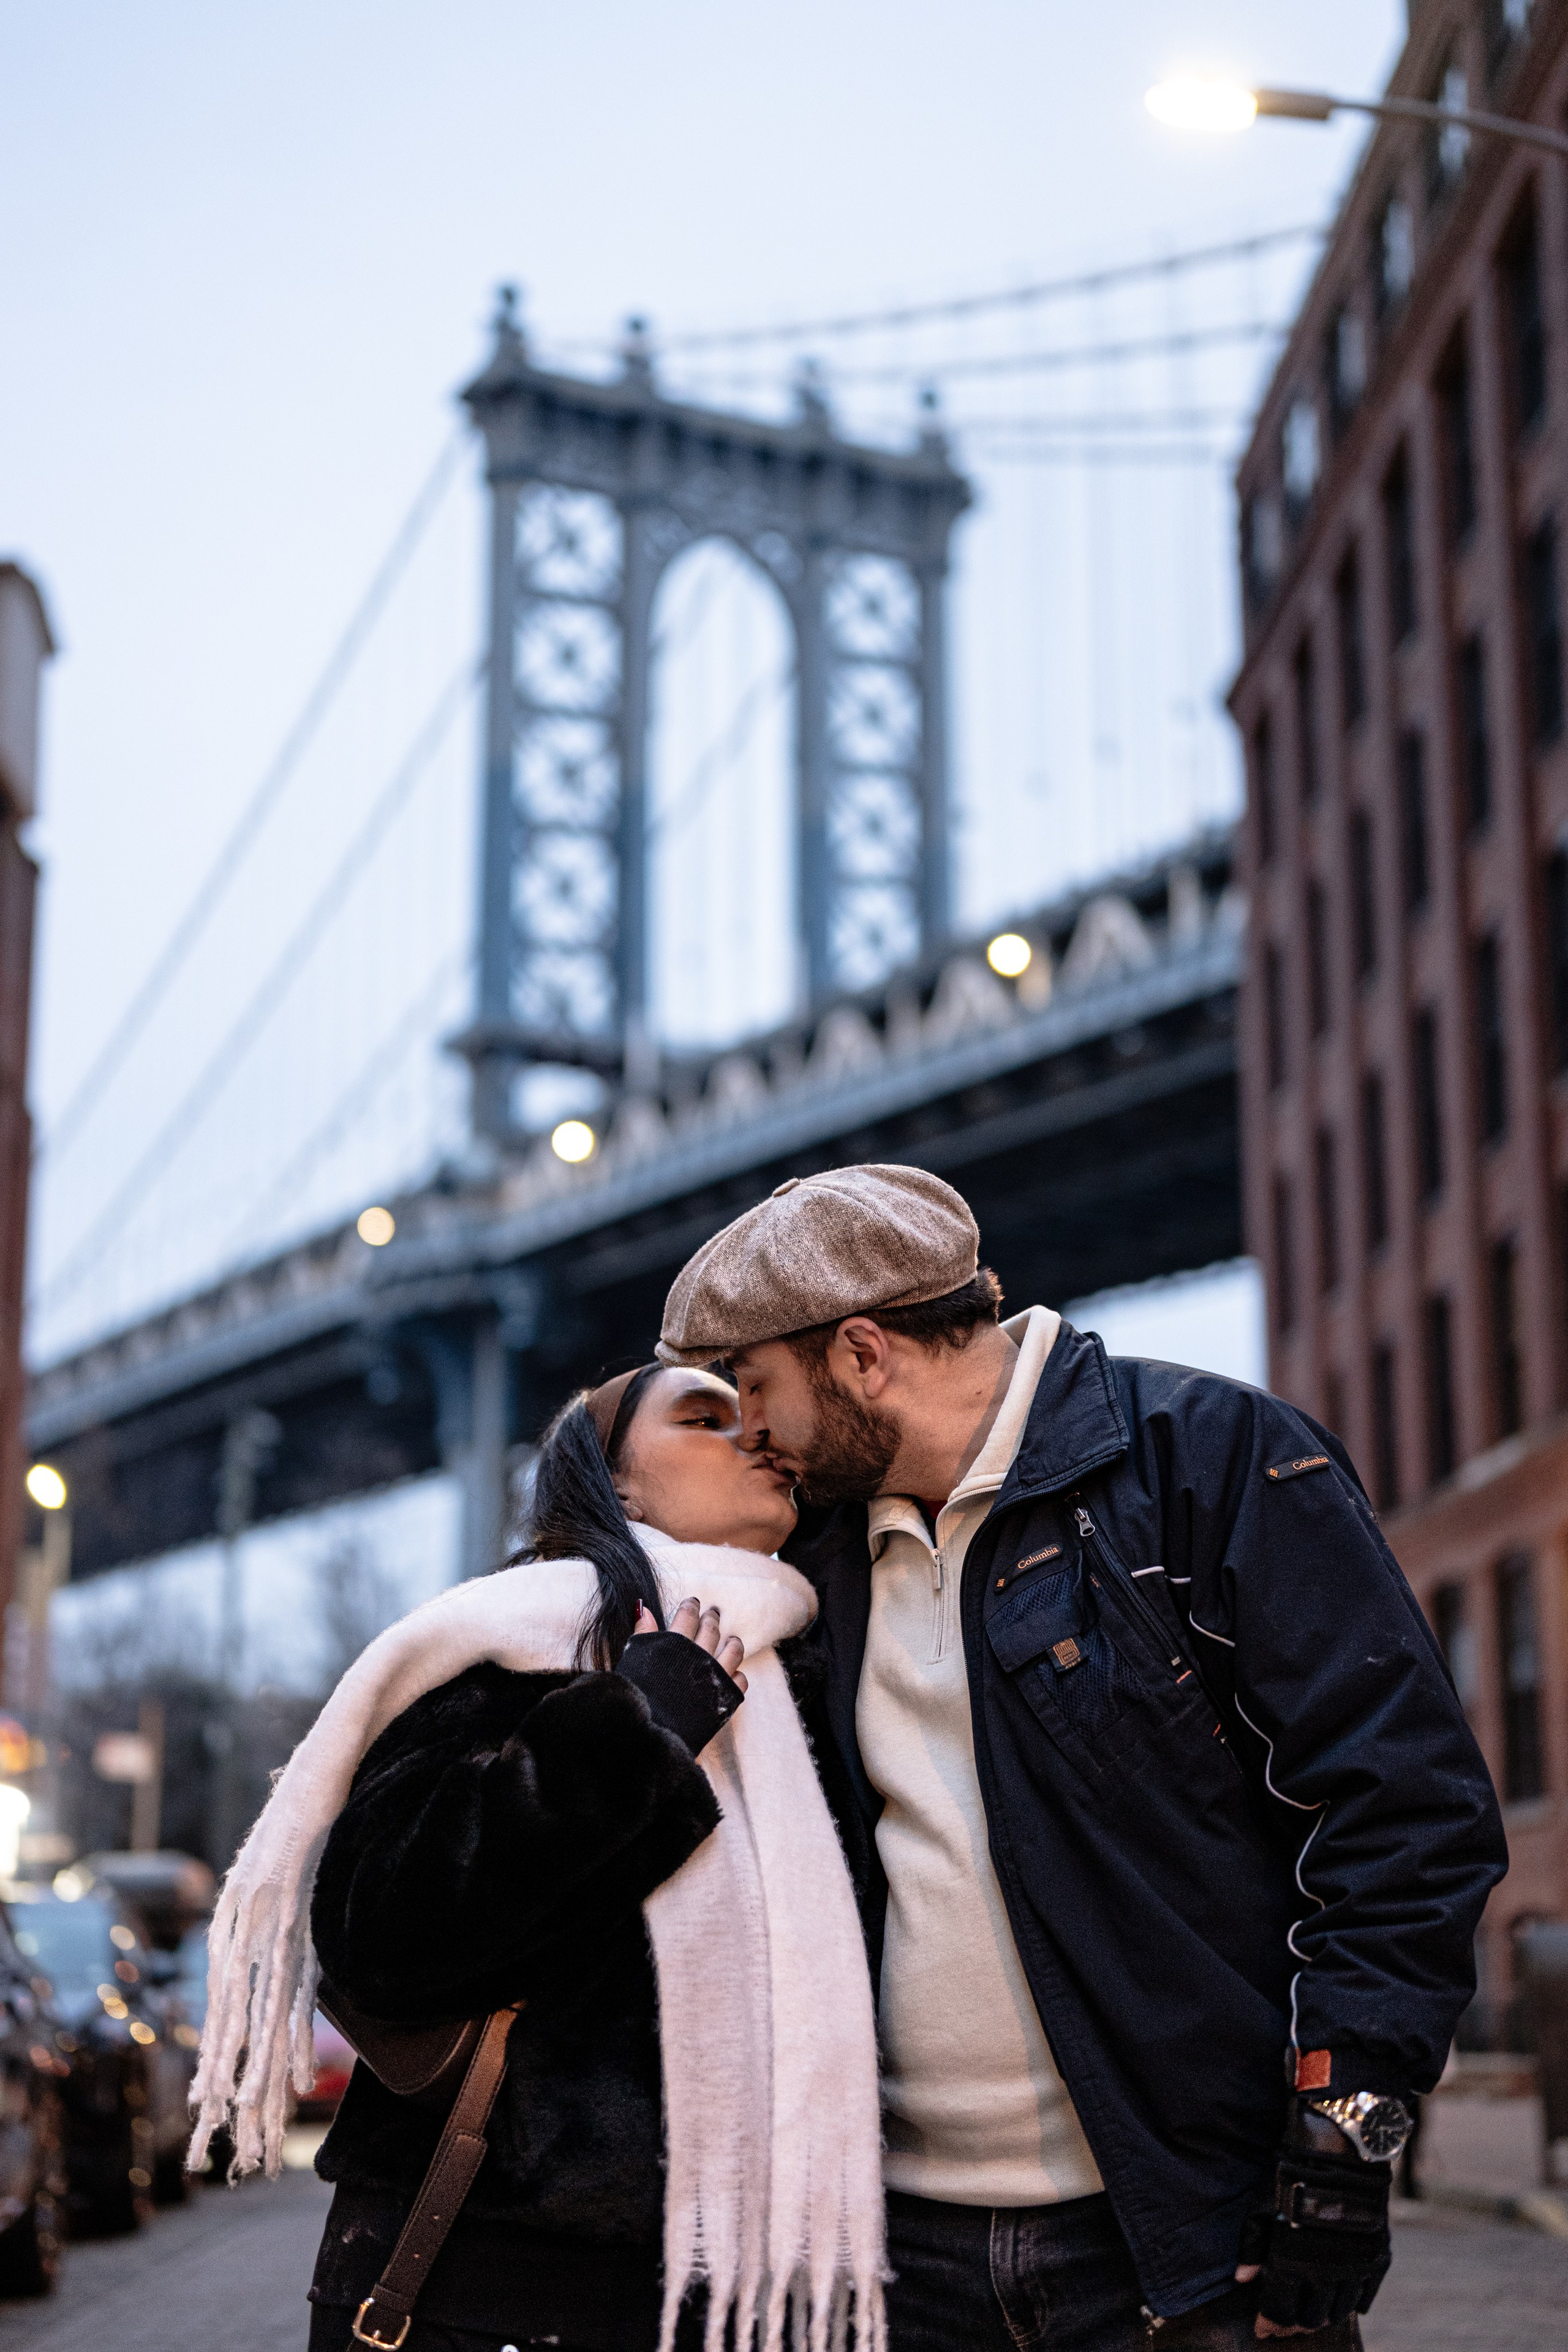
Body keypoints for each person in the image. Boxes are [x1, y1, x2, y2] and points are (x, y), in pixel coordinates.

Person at [655, 1164, 1509, 2350]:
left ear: (859, 1354)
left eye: (754, 1383)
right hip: (891, 2258)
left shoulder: (1206, 1460)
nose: (751, 1429)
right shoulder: (817, 1562)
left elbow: (1401, 1812)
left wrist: (1344, 2124)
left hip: (1185, 2236)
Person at [187, 1364, 886, 2352]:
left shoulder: (813, 1683)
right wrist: (638, 1730)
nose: (757, 1433)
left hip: (739, 2298)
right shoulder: (513, 1644)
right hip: (487, 2283)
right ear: (616, 1482)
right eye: (704, 1418)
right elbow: (379, 1933)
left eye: (756, 1413)